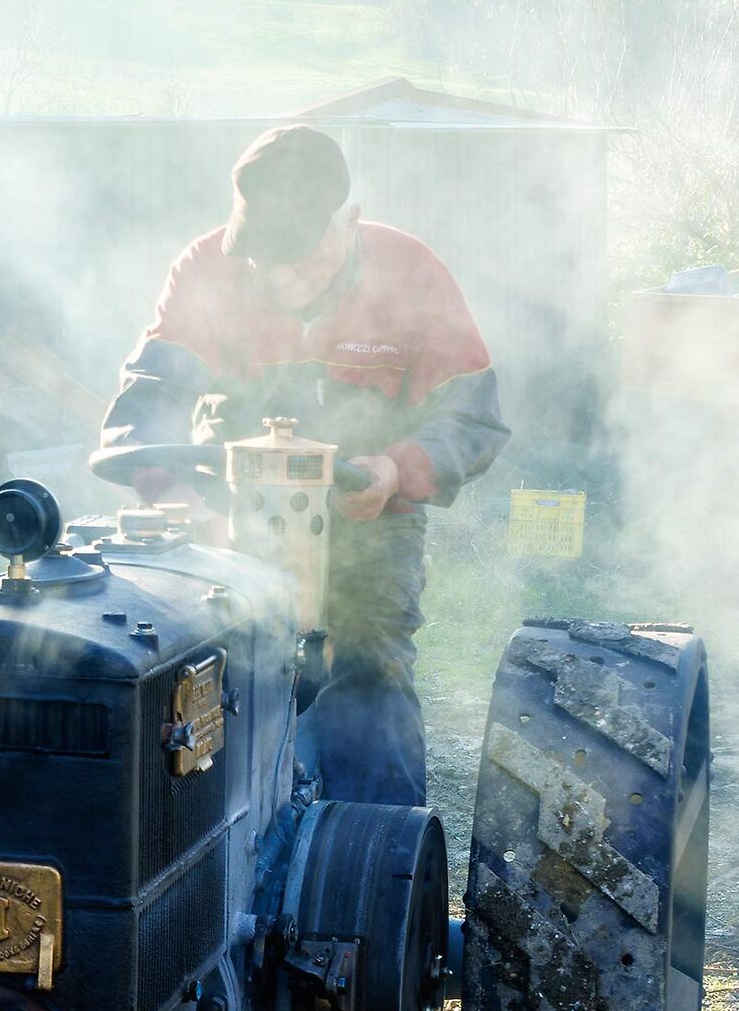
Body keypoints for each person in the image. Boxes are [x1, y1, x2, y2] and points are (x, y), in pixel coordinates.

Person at [95, 124, 508, 804]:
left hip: (368, 517)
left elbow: (472, 421)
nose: (283, 280)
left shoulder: (410, 272)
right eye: (267, 260)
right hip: (229, 519)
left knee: (367, 675)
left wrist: (395, 470)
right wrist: (175, 496)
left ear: (349, 220)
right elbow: (147, 406)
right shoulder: (206, 269)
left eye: (301, 259)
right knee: (202, 677)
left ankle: (376, 849)